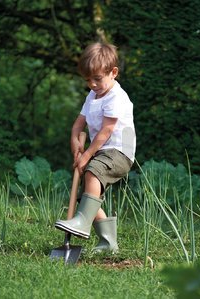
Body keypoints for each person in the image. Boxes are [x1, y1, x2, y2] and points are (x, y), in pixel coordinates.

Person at [55, 41, 136, 253]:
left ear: (113, 72)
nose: (92, 84)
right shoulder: (92, 96)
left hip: (120, 151)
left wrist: (87, 155)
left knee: (92, 171)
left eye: (97, 78)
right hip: (102, 152)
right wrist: (75, 142)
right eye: (87, 79)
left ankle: (81, 223)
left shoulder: (116, 97)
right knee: (87, 200)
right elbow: (79, 124)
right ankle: (109, 243)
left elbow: (106, 131)